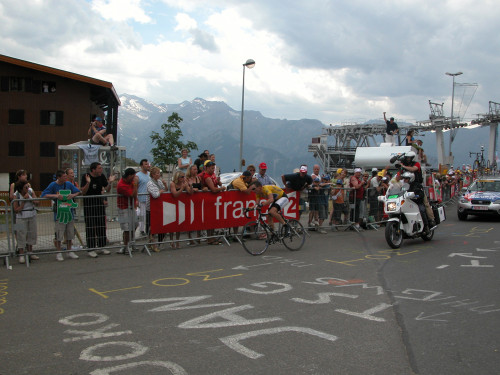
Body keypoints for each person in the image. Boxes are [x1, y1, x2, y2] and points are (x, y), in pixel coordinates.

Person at [41, 170, 81, 261]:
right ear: (58, 177)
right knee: (59, 233)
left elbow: (78, 191)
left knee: (70, 232)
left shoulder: (68, 184)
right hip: (59, 213)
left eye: (65, 176)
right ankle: (58, 252)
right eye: (63, 177)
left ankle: (69, 250)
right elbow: (44, 195)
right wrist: (56, 196)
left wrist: (73, 195)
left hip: (69, 211)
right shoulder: (53, 185)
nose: (65, 178)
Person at [80, 162, 115, 258]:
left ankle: (102, 246)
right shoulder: (86, 176)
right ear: (93, 169)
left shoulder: (102, 176)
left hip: (99, 204)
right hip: (89, 205)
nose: (101, 170)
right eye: (99, 168)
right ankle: (90, 248)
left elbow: (107, 189)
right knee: (90, 226)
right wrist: (88, 182)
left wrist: (110, 182)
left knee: (101, 225)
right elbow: (83, 191)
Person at [398, 151, 436, 227]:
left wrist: (403, 166)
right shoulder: (404, 165)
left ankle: (430, 221)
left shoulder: (416, 164)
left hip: (417, 187)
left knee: (424, 205)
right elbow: (399, 176)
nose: (408, 159)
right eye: (407, 157)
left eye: (409, 158)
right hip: (407, 187)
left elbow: (413, 169)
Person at [13, 180, 39, 264]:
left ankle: (30, 252)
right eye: (25, 187)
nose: (28, 188)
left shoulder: (31, 191)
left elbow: (37, 202)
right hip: (21, 217)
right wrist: (23, 201)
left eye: (28, 186)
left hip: (31, 215)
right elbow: (16, 209)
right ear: (21, 188)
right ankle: (21, 254)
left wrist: (30, 198)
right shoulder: (16, 195)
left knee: (32, 233)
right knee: (21, 234)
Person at [200, 161, 226, 245]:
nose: (213, 170)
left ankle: (212, 237)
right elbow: (213, 189)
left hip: (215, 200)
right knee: (210, 220)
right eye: (212, 168)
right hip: (209, 199)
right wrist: (221, 188)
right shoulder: (207, 176)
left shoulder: (213, 175)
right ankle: (209, 238)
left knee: (214, 219)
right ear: (207, 168)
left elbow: (216, 183)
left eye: (214, 168)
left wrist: (219, 182)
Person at [116, 168, 139, 254]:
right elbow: (132, 194)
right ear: (129, 176)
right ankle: (125, 246)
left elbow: (135, 194)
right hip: (123, 208)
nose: (134, 179)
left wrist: (136, 201)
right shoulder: (121, 184)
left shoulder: (130, 182)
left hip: (131, 206)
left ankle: (131, 243)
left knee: (134, 224)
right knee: (126, 228)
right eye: (133, 177)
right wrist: (136, 184)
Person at [169, 170, 193, 249]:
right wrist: (182, 188)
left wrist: (190, 185)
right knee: (172, 224)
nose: (184, 178)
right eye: (182, 177)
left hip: (180, 205)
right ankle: (171, 241)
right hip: (172, 204)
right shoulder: (172, 183)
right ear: (178, 178)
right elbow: (175, 194)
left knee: (179, 224)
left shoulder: (184, 183)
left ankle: (177, 241)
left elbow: (190, 192)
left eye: (184, 177)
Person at [146, 166, 168, 252]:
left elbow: (165, 189)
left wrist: (165, 185)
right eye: (157, 173)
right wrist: (161, 191)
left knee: (161, 225)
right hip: (151, 207)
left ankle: (159, 243)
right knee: (151, 227)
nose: (159, 175)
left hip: (159, 206)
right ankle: (152, 243)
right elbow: (155, 195)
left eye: (159, 173)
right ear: (153, 175)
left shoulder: (159, 181)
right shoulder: (150, 183)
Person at [137, 159, 151, 236]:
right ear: (142, 166)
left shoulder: (149, 174)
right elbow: (136, 187)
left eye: (147, 164)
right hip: (142, 198)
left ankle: (149, 229)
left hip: (149, 198)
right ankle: (141, 230)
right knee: (142, 215)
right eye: (145, 164)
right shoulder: (138, 175)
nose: (147, 165)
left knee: (149, 215)